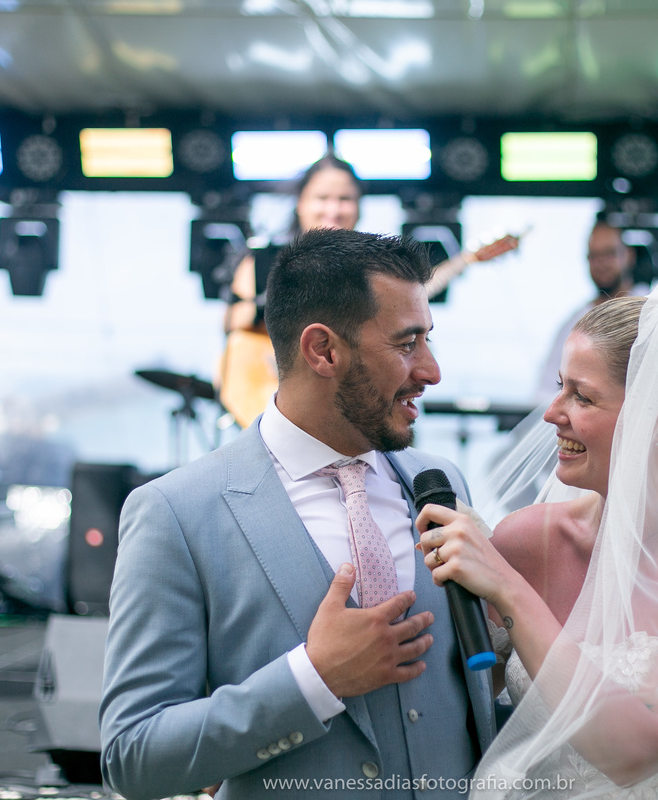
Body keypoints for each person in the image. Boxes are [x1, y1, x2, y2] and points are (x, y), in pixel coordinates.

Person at [101, 229, 496, 800]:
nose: (432, 372)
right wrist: (314, 679)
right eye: (407, 344)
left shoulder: (441, 485)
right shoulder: (177, 514)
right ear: (323, 351)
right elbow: (134, 757)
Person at [417, 279, 658, 798]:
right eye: (560, 386)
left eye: (583, 397)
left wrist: (509, 590)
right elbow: (450, 706)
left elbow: (634, 751)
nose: (552, 413)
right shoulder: (529, 540)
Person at [217, 154, 363, 428]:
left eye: (344, 199)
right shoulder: (264, 260)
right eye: (322, 198)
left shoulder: (375, 270)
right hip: (272, 398)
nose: (334, 209)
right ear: (301, 203)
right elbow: (235, 331)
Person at [535, 214, 638, 397]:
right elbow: (545, 390)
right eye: (594, 256)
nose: (601, 264)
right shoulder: (575, 322)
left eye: (609, 254)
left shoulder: (650, 312)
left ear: (628, 255)